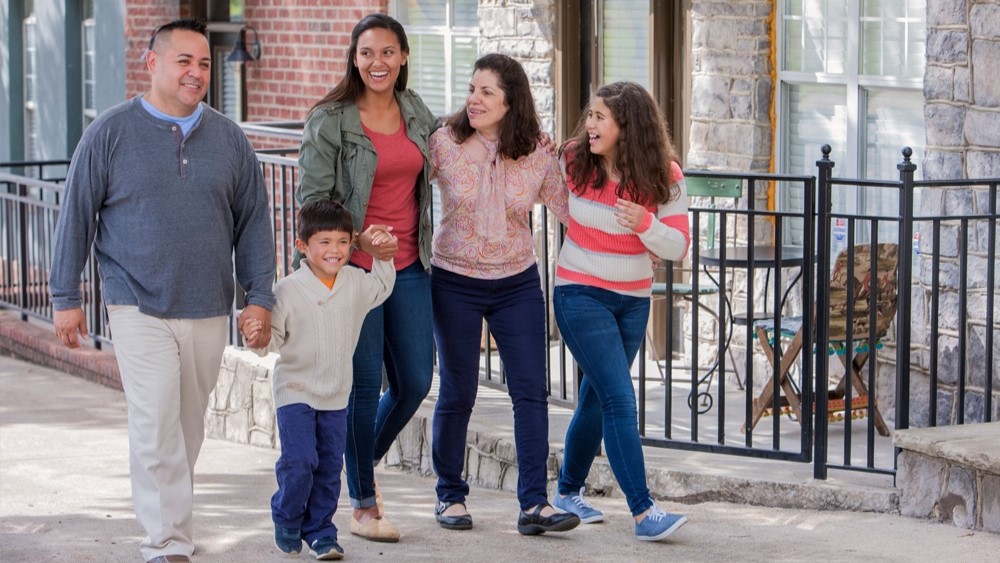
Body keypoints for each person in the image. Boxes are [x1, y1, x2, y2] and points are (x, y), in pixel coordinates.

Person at [48, 19, 276, 563]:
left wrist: (259, 296)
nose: (196, 72)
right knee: (155, 421)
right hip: (136, 299)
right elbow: (76, 213)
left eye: (203, 63)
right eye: (184, 61)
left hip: (205, 302)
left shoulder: (228, 139)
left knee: (186, 426)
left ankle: (171, 522)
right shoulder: (110, 132)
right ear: (152, 63)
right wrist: (65, 296)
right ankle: (167, 543)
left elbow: (254, 223)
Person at [296, 13, 437, 543]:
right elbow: (312, 202)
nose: (377, 62)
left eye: (387, 52)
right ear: (354, 59)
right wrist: (356, 241)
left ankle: (354, 463)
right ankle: (363, 505)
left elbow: (447, 155)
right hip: (351, 272)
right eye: (366, 53)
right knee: (359, 390)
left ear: (402, 57)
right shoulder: (330, 119)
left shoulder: (415, 110)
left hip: (407, 266)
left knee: (416, 381)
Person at [427, 53, 579, 536]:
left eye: (487, 92)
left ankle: (535, 504)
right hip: (454, 280)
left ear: (512, 101)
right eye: (472, 89)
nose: (474, 99)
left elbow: (570, 210)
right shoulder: (444, 142)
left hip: (516, 282)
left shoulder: (537, 151)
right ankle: (450, 495)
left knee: (531, 392)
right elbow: (397, 185)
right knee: (458, 391)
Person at [550, 81, 691, 542]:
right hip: (578, 293)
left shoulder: (663, 175)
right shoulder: (573, 160)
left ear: (626, 126)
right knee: (618, 397)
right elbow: (542, 190)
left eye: (599, 118)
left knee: (596, 395)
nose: (589, 125)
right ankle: (643, 510)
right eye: (589, 116)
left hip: (632, 301)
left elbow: (678, 246)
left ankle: (568, 490)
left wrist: (645, 223)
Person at [243, 200, 396, 561]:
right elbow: (271, 342)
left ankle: (322, 531)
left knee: (328, 468)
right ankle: (287, 517)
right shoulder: (288, 291)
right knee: (300, 461)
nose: (335, 250)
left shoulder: (356, 284)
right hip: (294, 391)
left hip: (335, 394)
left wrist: (380, 251)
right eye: (324, 242)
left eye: (343, 242)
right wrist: (256, 336)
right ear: (302, 247)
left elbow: (383, 285)